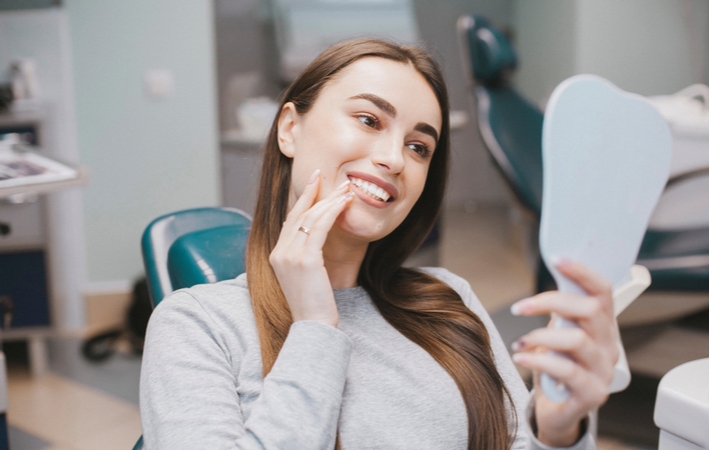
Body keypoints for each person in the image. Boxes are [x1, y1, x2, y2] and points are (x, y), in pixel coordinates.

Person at [140, 39, 618, 449]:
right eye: (369, 120)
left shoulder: (449, 300)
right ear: (290, 128)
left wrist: (556, 431)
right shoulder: (196, 325)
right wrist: (314, 327)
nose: (394, 159)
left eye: (419, 147)